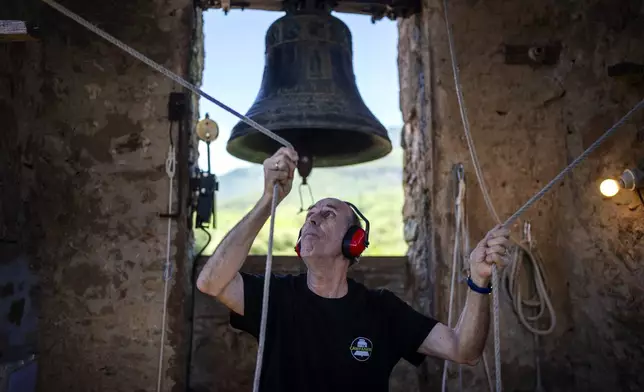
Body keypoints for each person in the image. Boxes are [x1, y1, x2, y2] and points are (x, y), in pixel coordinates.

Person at [197, 147, 510, 392]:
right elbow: (211, 282)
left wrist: (479, 280)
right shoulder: (275, 297)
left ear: (354, 242)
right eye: (310, 215)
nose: (313, 219)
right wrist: (268, 199)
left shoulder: (382, 311)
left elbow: (463, 349)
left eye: (328, 214)